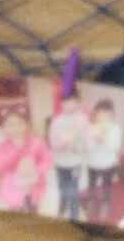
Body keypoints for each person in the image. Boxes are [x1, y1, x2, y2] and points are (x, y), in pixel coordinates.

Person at [0, 109, 52, 214]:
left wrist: (36, 170)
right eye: (10, 125)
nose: (16, 128)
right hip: (12, 187)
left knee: (33, 208)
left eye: (20, 123)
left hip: (34, 185)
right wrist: (15, 152)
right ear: (3, 129)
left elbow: (47, 160)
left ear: (26, 125)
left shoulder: (37, 142)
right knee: (17, 209)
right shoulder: (2, 146)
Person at [48, 86, 88, 222]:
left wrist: (74, 146)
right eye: (65, 101)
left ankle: (74, 216)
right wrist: (62, 145)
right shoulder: (56, 121)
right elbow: (52, 144)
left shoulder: (83, 120)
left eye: (73, 101)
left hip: (74, 164)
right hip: (59, 162)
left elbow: (86, 144)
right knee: (61, 187)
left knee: (72, 191)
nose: (69, 104)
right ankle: (62, 206)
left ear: (78, 102)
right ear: (61, 102)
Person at [85, 98, 122, 224]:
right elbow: (87, 148)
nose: (103, 118)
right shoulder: (90, 127)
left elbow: (115, 147)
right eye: (100, 114)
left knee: (106, 187)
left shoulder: (115, 128)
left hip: (108, 164)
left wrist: (103, 140)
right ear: (96, 114)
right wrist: (94, 140)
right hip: (92, 163)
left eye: (107, 115)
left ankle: (105, 204)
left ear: (112, 116)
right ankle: (90, 201)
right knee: (91, 185)